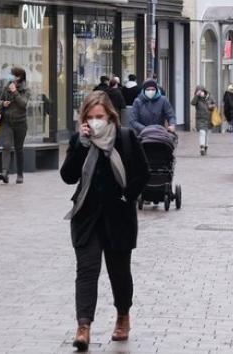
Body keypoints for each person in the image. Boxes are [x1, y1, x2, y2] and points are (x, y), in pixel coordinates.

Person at [60, 92, 150, 351]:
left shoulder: (125, 138)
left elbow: (142, 173)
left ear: (110, 116)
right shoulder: (80, 141)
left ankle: (123, 316)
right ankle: (83, 326)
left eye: (99, 117)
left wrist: (127, 196)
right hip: (86, 217)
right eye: (90, 117)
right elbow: (67, 176)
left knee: (119, 273)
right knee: (86, 272)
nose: (95, 121)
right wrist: (81, 145)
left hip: (118, 217)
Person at [0, 66, 30, 184]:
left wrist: (15, 92)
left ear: (19, 77)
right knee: (6, 145)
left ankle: (20, 174)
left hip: (20, 123)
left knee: (18, 149)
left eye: (12, 74)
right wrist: (2, 103)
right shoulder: (6, 87)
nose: (10, 76)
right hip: (7, 122)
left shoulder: (25, 89)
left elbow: (23, 104)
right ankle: (5, 172)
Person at [190, 85, 215, 156]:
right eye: (198, 91)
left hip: (209, 118)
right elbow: (192, 103)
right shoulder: (197, 98)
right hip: (200, 118)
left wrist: (211, 106)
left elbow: (214, 104)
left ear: (204, 91)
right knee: (202, 132)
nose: (200, 93)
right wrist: (197, 96)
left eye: (201, 91)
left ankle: (206, 146)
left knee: (207, 134)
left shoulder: (210, 97)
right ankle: (202, 147)